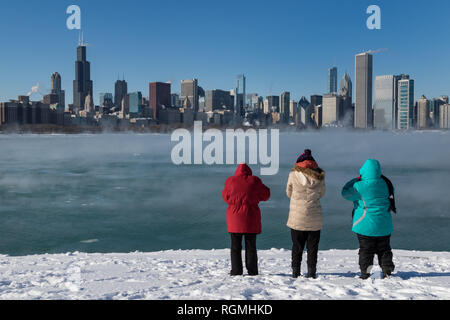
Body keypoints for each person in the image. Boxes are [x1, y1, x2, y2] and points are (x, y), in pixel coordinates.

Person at [341, 159, 395, 279]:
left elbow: (345, 193)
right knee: (384, 249)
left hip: (365, 226)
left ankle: (366, 273)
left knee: (366, 251)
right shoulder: (386, 183)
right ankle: (387, 271)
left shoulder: (359, 186)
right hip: (384, 225)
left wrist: (355, 179)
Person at [222, 163, 270, 276]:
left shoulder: (230, 180)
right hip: (251, 217)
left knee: (235, 246)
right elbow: (266, 195)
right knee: (251, 246)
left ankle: (236, 271)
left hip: (234, 218)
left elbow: (225, 197)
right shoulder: (255, 180)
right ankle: (252, 271)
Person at [286, 149, 326, 279]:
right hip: (314, 217)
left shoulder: (293, 175)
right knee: (312, 248)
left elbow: (288, 192)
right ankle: (311, 272)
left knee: (297, 246)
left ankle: (295, 272)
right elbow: (322, 193)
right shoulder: (319, 176)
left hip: (297, 217)